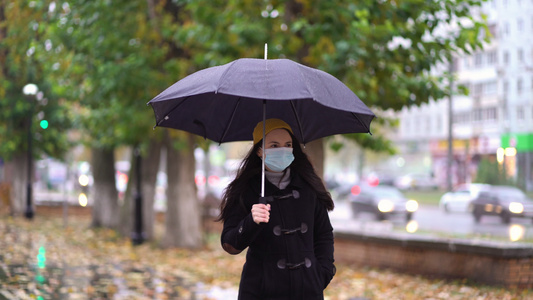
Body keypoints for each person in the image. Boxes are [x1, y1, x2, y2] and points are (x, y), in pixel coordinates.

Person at [217, 118, 336, 299]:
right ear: (259, 150)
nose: (282, 150)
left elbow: (324, 234)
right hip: (261, 290)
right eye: (274, 145)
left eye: (287, 145)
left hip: (307, 289)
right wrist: (251, 221)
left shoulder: (308, 186)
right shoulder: (245, 189)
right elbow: (230, 244)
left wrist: (322, 274)